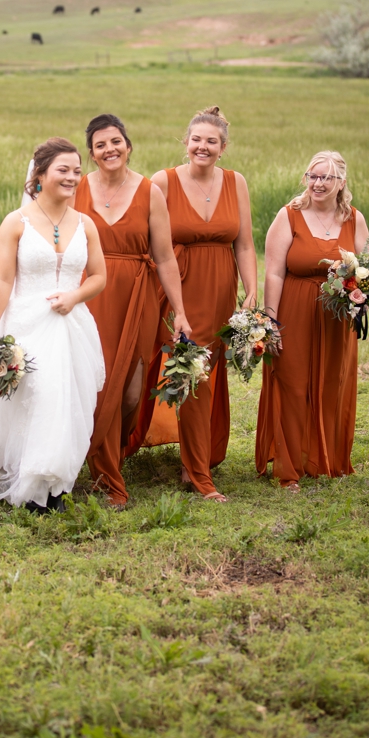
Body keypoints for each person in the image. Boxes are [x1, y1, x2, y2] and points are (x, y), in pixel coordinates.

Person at [0, 139, 107, 510]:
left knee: (70, 400)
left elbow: (99, 276)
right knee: (36, 398)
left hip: (72, 326)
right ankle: (31, 482)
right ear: (39, 175)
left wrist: (74, 297)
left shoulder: (86, 224)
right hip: (26, 323)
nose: (72, 177)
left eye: (76, 170)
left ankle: (56, 482)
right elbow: (4, 281)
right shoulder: (16, 222)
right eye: (63, 170)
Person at [72, 114, 194, 507]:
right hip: (88, 295)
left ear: (128, 145)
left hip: (136, 297)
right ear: (91, 154)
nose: (110, 149)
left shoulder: (149, 192)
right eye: (101, 145)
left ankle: (109, 452)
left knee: (130, 394)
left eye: (116, 142)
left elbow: (165, 258)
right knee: (94, 386)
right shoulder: (76, 189)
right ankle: (106, 475)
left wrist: (179, 311)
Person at [152, 106, 258, 502]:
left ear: (223, 147)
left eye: (211, 141)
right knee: (191, 368)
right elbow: (145, 236)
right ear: (186, 142)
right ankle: (198, 474)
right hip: (178, 287)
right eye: (196, 139)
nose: (202, 146)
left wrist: (251, 289)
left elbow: (244, 242)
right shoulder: (162, 181)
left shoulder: (236, 183)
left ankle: (196, 458)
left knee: (209, 372)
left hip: (220, 289)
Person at [254, 151, 368, 489]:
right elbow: (273, 273)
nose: (318, 184)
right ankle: (289, 468)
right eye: (313, 176)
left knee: (333, 381)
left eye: (326, 178)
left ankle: (325, 459)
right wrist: (271, 321)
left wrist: (355, 291)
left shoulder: (354, 219)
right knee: (292, 383)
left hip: (336, 318)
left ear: (341, 184)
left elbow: (364, 272)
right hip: (294, 309)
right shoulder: (289, 215)